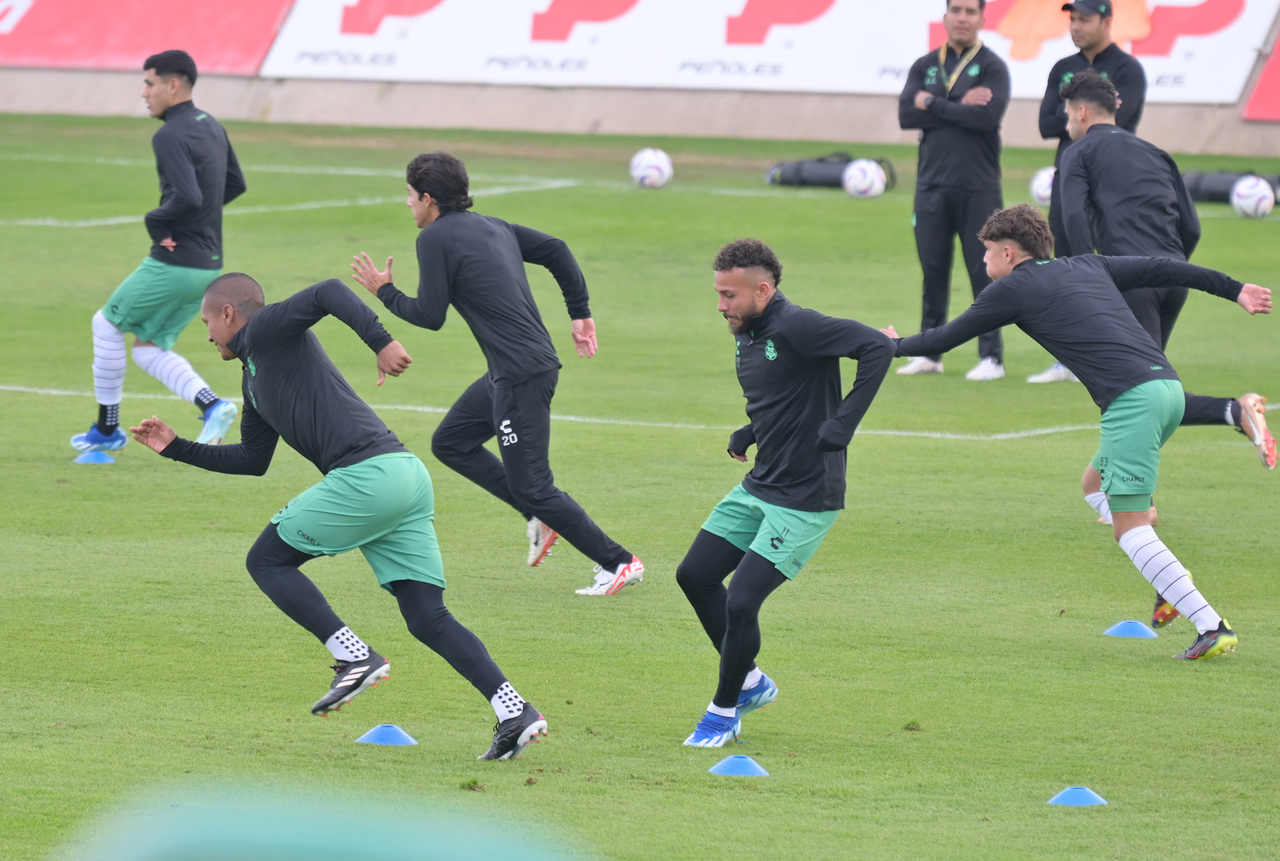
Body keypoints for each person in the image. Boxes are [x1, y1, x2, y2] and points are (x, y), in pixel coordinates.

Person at [129, 273, 547, 761]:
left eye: (206, 322)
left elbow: (327, 290)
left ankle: (353, 654)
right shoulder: (254, 379)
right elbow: (252, 460)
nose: (205, 336)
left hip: (368, 477)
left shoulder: (265, 330)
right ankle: (514, 708)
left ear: (228, 313)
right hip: (405, 478)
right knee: (427, 618)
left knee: (266, 561)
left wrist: (382, 340)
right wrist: (176, 447)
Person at [884, 205, 1272, 660]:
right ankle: (1169, 581)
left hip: (1133, 403)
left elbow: (942, 340)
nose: (983, 263)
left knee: (1129, 530)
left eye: (986, 253)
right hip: (1168, 390)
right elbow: (1167, 267)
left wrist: (889, 345)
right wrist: (1235, 289)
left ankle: (1211, 626)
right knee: (1093, 485)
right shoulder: (1088, 263)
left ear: (1008, 253)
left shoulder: (1010, 289)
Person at [350, 151, 643, 596]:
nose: (408, 204)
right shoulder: (495, 226)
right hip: (514, 370)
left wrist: (384, 291)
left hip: (520, 376)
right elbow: (558, 251)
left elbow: (430, 316)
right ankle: (537, 515)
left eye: (410, 196)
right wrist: (580, 313)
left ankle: (618, 561)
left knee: (535, 486)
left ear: (429, 198)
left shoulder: (434, 240)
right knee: (451, 442)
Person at [676, 239, 894, 747]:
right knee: (696, 575)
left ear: (763, 290)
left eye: (729, 295)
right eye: (718, 293)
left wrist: (844, 423)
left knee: (742, 602)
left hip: (806, 496)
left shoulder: (799, 324)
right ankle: (750, 681)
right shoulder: (746, 331)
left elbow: (876, 348)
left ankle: (723, 712)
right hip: (762, 483)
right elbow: (785, 390)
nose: (720, 305)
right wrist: (751, 430)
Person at [1056, 70, 1273, 470]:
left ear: (1082, 112)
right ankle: (1123, 490)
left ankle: (1141, 498)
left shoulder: (1079, 153)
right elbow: (1191, 227)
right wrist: (1169, 268)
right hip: (1174, 280)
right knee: (1148, 389)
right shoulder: (1157, 153)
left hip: (1127, 281)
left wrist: (1090, 273)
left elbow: (1072, 214)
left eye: (1067, 114)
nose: (1066, 122)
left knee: (1133, 391)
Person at [72, 50, 245, 454]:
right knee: (150, 347)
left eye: (149, 83)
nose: (144, 92)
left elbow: (186, 195)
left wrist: (158, 223)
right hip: (208, 264)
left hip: (176, 260)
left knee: (106, 324)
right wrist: (200, 222)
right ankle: (213, 405)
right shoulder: (211, 125)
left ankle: (106, 430)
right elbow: (233, 185)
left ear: (173, 84)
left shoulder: (168, 134)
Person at [1029, 0, 1147, 384]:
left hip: (1113, 179)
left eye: (1085, 19)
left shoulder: (1128, 70)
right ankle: (1070, 359)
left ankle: (1119, 353)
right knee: (1066, 263)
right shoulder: (1063, 68)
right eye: (1073, 19)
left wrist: (1080, 116)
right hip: (1069, 176)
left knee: (1113, 263)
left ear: (1107, 21)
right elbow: (1047, 123)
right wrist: (1084, 116)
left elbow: (1119, 120)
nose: (1076, 26)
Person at [898, 0, 1010, 381]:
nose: (963, 17)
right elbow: (904, 115)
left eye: (970, 11)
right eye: (956, 9)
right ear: (945, 16)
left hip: (977, 187)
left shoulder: (993, 66)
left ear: (982, 18)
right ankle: (931, 352)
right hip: (930, 185)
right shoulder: (925, 64)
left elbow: (986, 118)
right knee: (933, 271)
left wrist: (931, 102)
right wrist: (955, 103)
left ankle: (991, 357)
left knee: (986, 272)